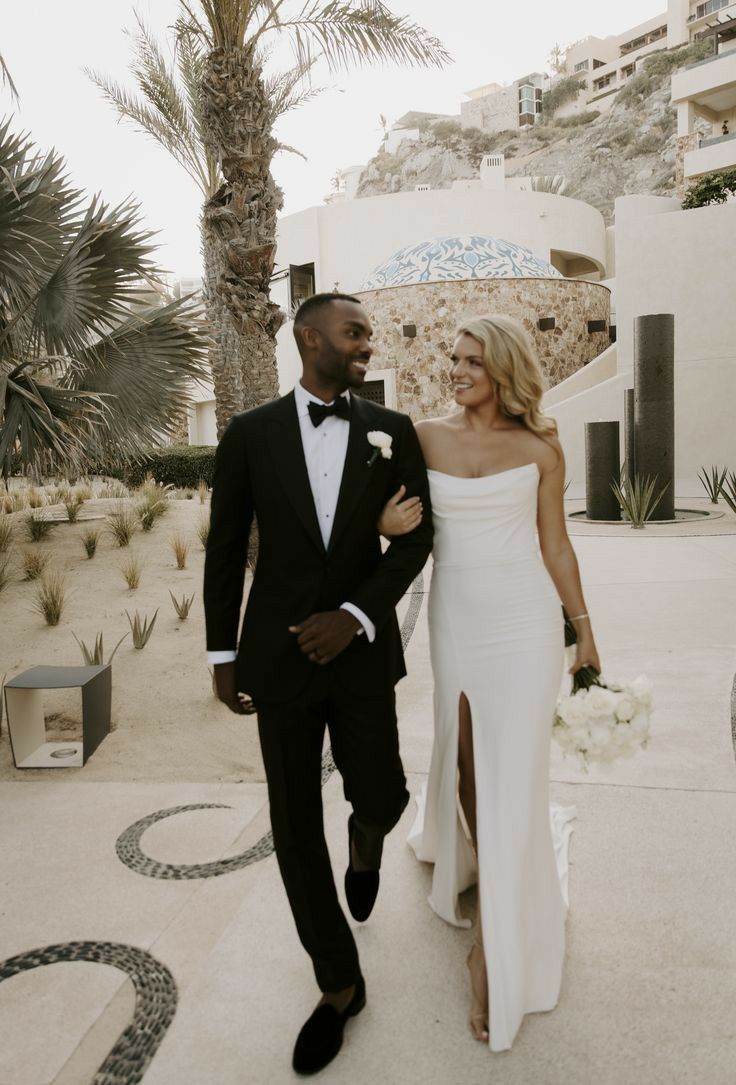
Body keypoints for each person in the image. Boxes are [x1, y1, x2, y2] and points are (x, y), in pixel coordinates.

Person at [203, 293, 433, 1076]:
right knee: (295, 825)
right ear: (310, 338)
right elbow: (225, 546)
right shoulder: (250, 433)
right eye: (353, 331)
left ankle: (366, 845)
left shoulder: (392, 430)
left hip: (360, 653)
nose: (366, 343)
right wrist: (222, 655)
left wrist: (356, 616)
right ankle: (339, 983)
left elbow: (418, 537)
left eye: (367, 333)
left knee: (384, 793)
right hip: (279, 657)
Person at [379, 313, 600, 1051]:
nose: (458, 370)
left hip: (525, 624)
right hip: (458, 621)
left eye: (472, 360)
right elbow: (388, 517)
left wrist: (583, 629)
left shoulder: (541, 447)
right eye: (455, 358)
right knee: (470, 768)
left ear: (503, 368)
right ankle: (485, 869)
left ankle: (490, 942)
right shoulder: (424, 436)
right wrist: (384, 524)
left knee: (516, 772)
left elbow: (555, 544)